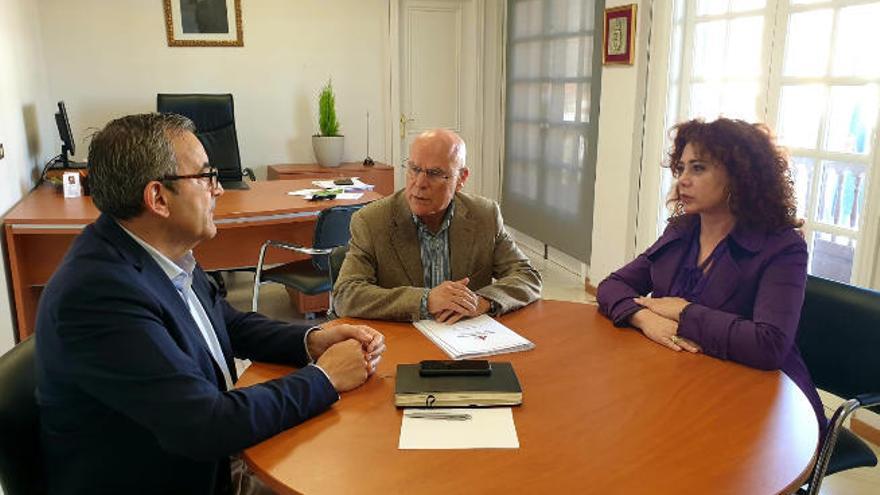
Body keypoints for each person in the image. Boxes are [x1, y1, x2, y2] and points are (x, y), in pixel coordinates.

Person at [35, 113, 386, 495]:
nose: (218, 189)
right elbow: (206, 426)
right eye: (205, 177)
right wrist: (324, 378)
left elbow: (226, 322)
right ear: (157, 198)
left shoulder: (157, 249)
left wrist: (314, 340)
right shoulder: (98, 295)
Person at [596, 117, 826, 433]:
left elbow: (768, 344)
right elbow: (612, 285)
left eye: (698, 168)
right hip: (684, 383)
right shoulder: (682, 230)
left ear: (739, 176)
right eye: (681, 169)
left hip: (760, 404)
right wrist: (642, 317)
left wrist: (682, 310)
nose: (682, 181)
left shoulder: (782, 247)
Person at [333, 129, 541, 323]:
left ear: (461, 178)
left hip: (466, 341)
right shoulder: (372, 221)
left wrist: (483, 301)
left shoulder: (484, 216)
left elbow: (526, 276)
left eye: (434, 173)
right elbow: (346, 295)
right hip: (403, 342)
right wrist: (426, 300)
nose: (419, 183)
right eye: (414, 169)